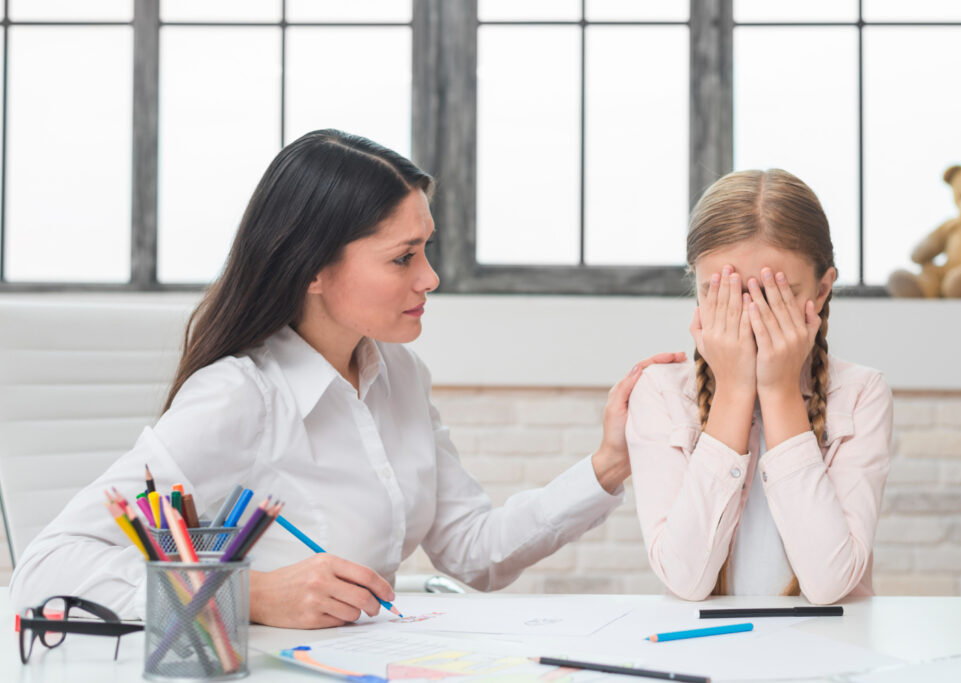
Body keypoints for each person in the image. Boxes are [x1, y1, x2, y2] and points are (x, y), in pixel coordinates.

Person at [10, 129, 684, 628]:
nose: (431, 277)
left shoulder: (400, 375)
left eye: (428, 248)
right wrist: (251, 596)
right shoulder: (239, 399)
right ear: (313, 270)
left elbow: (476, 550)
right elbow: (46, 570)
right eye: (403, 257)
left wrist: (608, 462)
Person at [625, 169, 893, 605]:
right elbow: (686, 579)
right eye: (724, 294)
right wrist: (732, 391)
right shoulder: (661, 392)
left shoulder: (862, 393)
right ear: (696, 286)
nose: (749, 318)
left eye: (773, 295)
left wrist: (780, 390)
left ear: (822, 290)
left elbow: (829, 583)